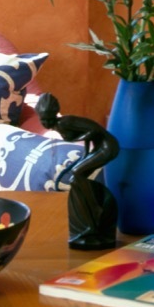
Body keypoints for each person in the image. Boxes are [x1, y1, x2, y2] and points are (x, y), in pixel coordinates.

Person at [37, 93, 120, 249]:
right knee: (76, 178)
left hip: (108, 146)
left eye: (49, 119)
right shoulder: (57, 126)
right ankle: (89, 212)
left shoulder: (64, 123)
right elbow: (89, 138)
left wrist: (77, 139)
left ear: (55, 114)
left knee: (76, 174)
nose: (47, 123)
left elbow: (94, 132)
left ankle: (94, 209)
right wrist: (85, 155)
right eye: (43, 120)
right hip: (100, 146)